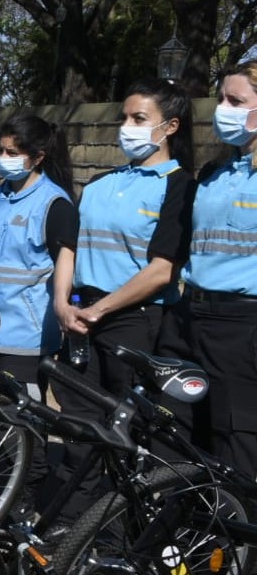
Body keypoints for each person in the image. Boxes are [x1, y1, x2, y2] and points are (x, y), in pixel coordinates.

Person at [50, 79, 194, 527]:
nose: (126, 127)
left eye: (139, 119)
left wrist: (102, 309)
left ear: (169, 127)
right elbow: (69, 248)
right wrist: (63, 303)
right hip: (80, 316)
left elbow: (162, 269)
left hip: (134, 321)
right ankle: (69, 528)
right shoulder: (98, 184)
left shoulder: (180, 187)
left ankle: (113, 534)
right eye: (124, 118)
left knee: (125, 431)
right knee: (76, 427)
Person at [0, 114, 77, 519]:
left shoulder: (54, 203)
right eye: (1, 150)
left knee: (24, 428)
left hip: (21, 337)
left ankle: (25, 504)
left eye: (14, 152)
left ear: (38, 157)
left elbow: (65, 263)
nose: (4, 158)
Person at [157, 61, 257, 484]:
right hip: (189, 316)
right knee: (175, 432)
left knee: (235, 440)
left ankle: (237, 545)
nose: (222, 109)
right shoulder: (214, 173)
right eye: (220, 99)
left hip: (241, 325)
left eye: (236, 101)